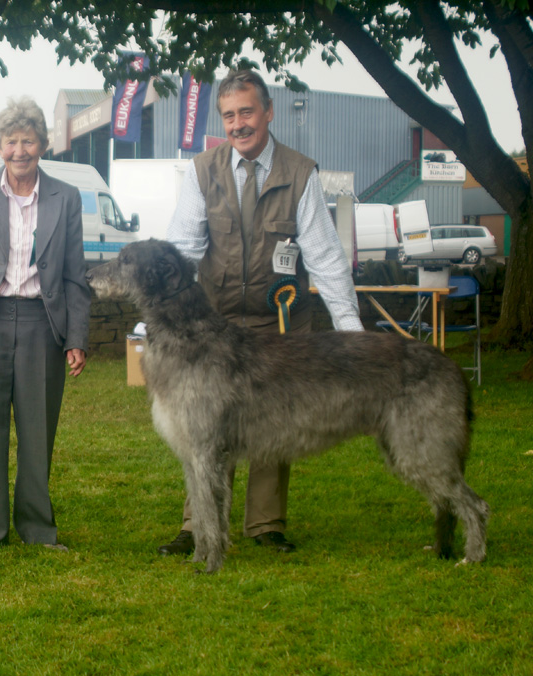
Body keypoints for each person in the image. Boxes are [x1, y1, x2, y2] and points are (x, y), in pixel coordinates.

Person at [162, 69, 363, 556]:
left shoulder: (300, 173)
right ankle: (198, 525)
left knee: (274, 421)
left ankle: (266, 524)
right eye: (229, 115)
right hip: (215, 325)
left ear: (268, 112)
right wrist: (161, 318)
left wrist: (351, 332)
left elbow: (325, 257)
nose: (238, 124)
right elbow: (181, 251)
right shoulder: (200, 170)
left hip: (281, 321)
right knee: (205, 425)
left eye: (246, 112)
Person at [0, 97, 91, 559]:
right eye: (11, 141)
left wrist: (77, 338)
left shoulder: (66, 197)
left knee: (37, 432)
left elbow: (74, 275)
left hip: (43, 324)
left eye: (28, 140)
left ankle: (38, 529)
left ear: (43, 145)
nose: (20, 150)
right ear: (0, 145)